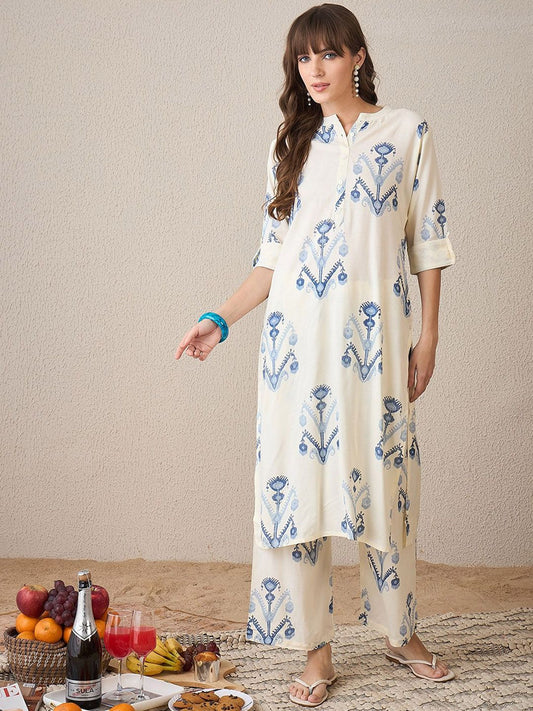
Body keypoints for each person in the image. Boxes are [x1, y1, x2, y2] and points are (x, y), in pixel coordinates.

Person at [176, 3, 457, 706]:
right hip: (296, 348)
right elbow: (272, 258)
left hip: (377, 344)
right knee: (298, 489)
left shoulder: (407, 131)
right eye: (303, 58)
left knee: (387, 483)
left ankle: (398, 632)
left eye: (328, 53)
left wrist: (428, 335)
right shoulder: (291, 146)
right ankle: (315, 649)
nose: (315, 69)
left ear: (357, 55)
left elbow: (427, 242)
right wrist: (219, 318)